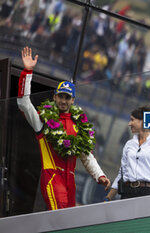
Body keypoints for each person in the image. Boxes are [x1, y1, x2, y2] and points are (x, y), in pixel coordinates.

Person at [17, 47, 111, 210]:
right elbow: (24, 104)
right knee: (59, 218)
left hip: (70, 182)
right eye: (60, 96)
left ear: (73, 100)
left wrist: (99, 176)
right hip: (52, 177)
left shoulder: (78, 125)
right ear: (54, 96)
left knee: (67, 222)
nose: (63, 100)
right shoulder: (43, 120)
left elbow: (86, 155)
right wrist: (27, 71)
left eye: (67, 97)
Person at [105, 106, 150, 200]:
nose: (129, 123)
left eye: (132, 120)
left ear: (142, 121)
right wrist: (109, 197)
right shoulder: (129, 144)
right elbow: (122, 173)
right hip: (127, 192)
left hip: (149, 193)